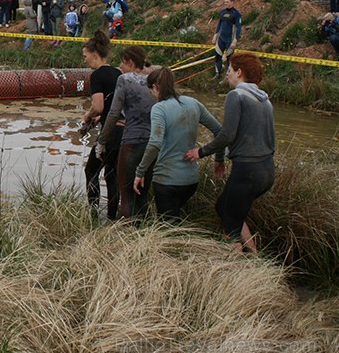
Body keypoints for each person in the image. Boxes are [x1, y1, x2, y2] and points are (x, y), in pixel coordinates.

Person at [184, 53, 275, 253]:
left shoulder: (237, 96)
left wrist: (201, 151)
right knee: (226, 208)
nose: (227, 75)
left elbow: (227, 134)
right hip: (267, 170)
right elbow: (270, 140)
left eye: (230, 71)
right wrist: (223, 158)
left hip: (247, 170)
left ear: (239, 72)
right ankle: (254, 256)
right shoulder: (265, 100)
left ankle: (236, 270)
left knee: (231, 220)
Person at [133, 68, 223, 221]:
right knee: (175, 219)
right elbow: (219, 130)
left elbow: (155, 143)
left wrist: (140, 172)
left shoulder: (159, 108)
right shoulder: (193, 103)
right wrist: (217, 158)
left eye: (151, 91)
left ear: (155, 87)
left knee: (168, 228)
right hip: (191, 180)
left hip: (166, 179)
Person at [97, 45, 156, 219]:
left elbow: (114, 113)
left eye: (122, 63)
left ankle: (127, 235)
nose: (120, 67)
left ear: (130, 62)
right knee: (142, 192)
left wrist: (101, 140)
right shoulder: (152, 81)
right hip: (151, 141)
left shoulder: (125, 80)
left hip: (131, 140)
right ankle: (142, 230)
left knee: (126, 192)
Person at [82, 31, 123, 221]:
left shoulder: (97, 75)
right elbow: (116, 103)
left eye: (86, 56)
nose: (85, 60)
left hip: (110, 133)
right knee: (112, 173)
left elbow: (99, 106)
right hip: (124, 130)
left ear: (95, 55)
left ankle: (93, 215)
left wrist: (88, 115)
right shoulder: (118, 73)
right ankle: (113, 216)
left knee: (91, 170)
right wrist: (102, 116)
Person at [212, 0, 242, 79]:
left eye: (227, 2)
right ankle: (217, 74)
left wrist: (235, 40)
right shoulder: (222, 12)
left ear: (232, 2)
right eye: (224, 2)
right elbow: (219, 25)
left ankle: (227, 77)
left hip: (230, 39)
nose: (226, 4)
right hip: (221, 38)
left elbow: (238, 28)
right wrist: (215, 36)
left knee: (229, 58)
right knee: (217, 56)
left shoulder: (236, 14)